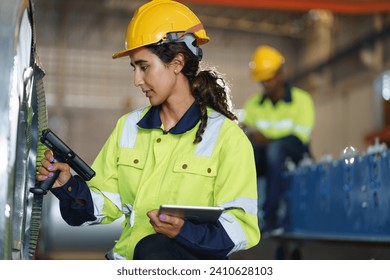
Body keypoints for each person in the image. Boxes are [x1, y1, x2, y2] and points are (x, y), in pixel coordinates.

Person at [36, 0, 260, 260]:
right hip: (125, 261)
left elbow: (241, 228)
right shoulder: (128, 127)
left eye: (144, 67)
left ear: (176, 63)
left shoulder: (227, 138)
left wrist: (184, 232)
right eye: (134, 68)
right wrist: (68, 186)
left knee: (153, 249)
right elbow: (104, 203)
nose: (136, 80)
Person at [241, 45, 315, 233]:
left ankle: (271, 215)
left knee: (276, 150)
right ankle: (242, 212)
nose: (266, 84)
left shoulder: (302, 100)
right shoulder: (253, 104)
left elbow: (300, 136)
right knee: (245, 153)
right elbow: (248, 133)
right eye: (262, 80)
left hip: (295, 151)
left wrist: (267, 140)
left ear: (280, 74)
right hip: (266, 154)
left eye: (269, 79)